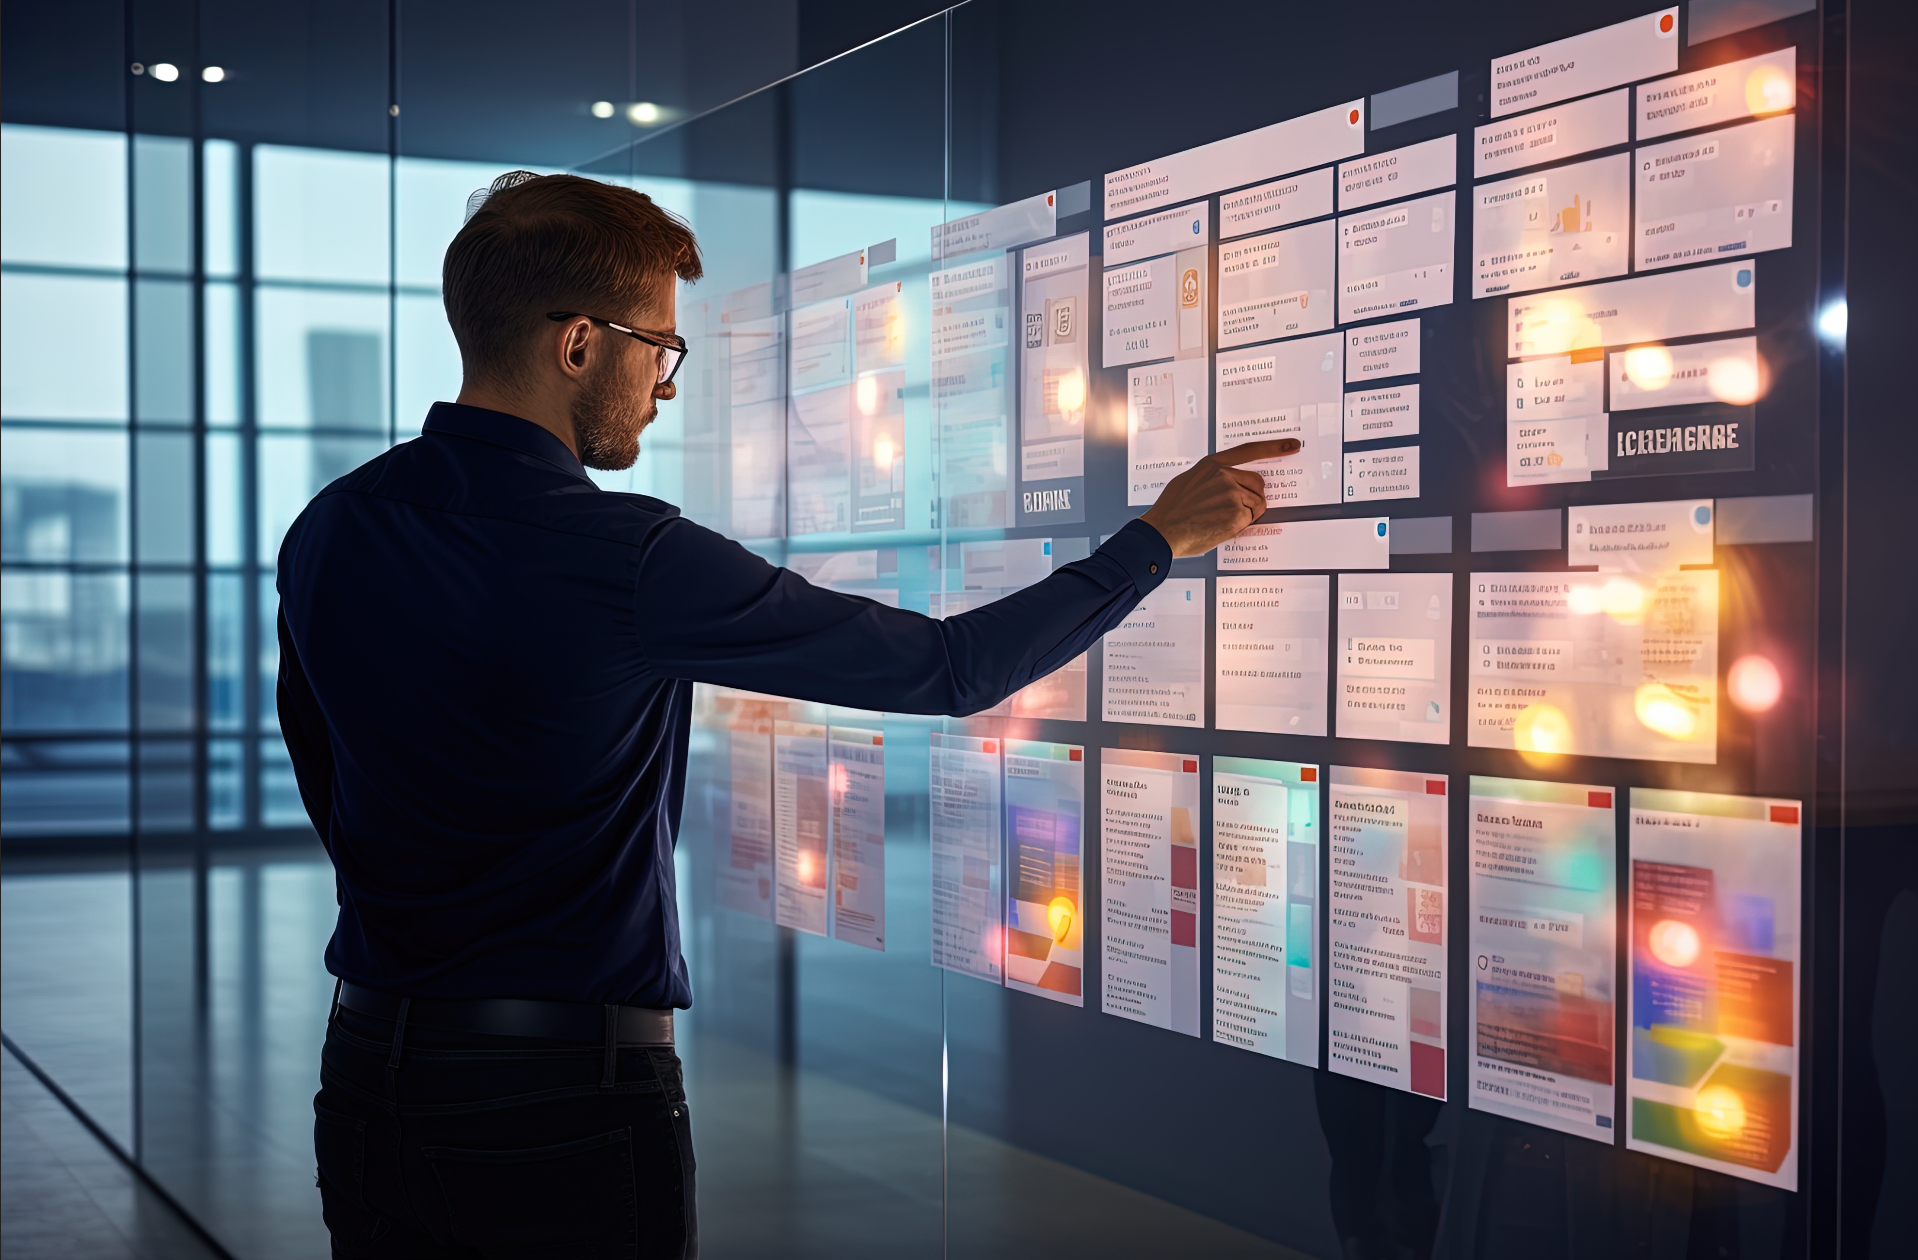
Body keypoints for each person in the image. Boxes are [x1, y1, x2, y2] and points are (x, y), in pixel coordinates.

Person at [282, 170, 1297, 1259]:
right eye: (655, 347)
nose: (665, 385)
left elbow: (329, 784)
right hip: (558, 1103)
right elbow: (950, 668)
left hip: (367, 1070)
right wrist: (1152, 543)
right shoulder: (627, 558)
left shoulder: (332, 528)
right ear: (578, 344)